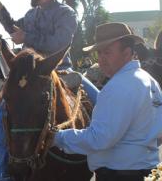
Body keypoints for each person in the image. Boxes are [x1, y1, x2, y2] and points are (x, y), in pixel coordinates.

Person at [0, 0, 100, 180]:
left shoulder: (66, 13)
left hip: (60, 69)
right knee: (3, 111)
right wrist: (1, 8)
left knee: (100, 100)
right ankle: (4, 174)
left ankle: (103, 158)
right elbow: (14, 29)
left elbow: (61, 44)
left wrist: (27, 37)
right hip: (30, 76)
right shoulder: (31, 15)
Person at [54, 22, 162, 181]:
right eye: (99, 53)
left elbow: (99, 138)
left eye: (108, 52)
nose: (101, 59)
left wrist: (56, 137)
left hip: (120, 175)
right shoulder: (149, 81)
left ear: (127, 53)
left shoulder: (118, 86)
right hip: (148, 172)